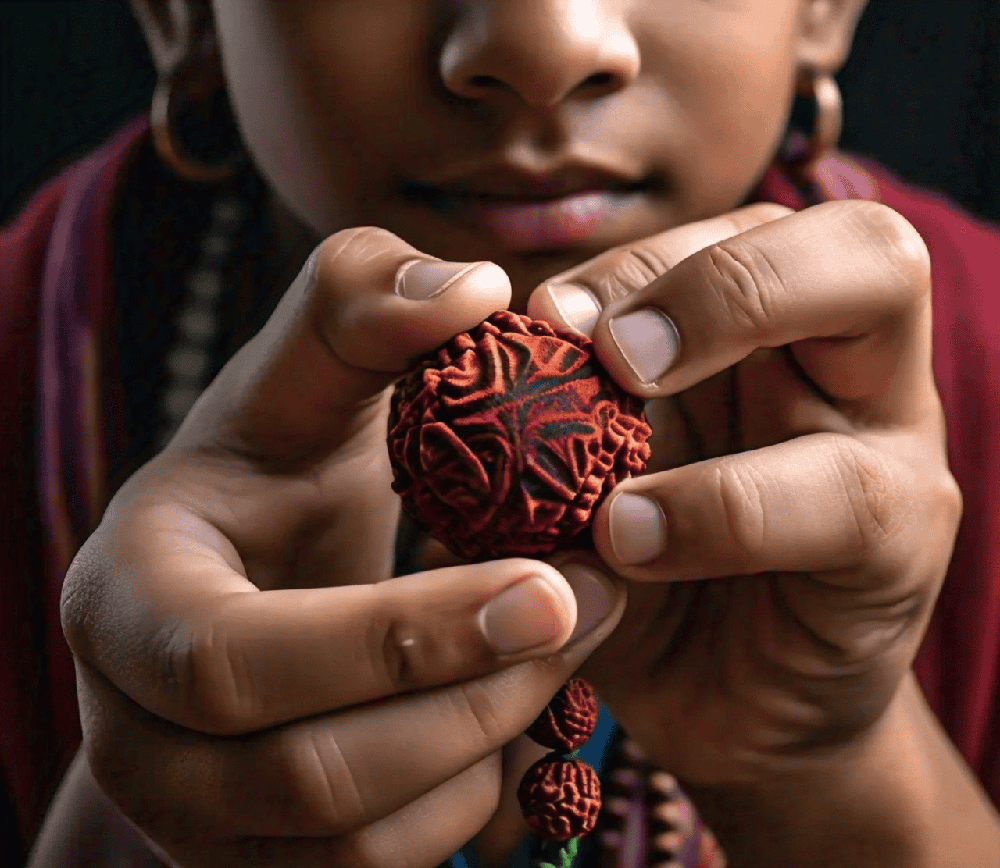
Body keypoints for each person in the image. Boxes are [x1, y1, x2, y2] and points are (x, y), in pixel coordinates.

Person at [3, 1, 1000, 866]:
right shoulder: (29, 364)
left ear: (824, 5)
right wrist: (137, 812)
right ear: (179, 8)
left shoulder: (982, 362)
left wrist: (824, 765)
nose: (546, 47)